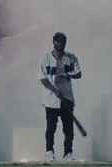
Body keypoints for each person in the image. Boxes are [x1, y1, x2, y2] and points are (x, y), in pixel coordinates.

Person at [37, 32, 82, 162]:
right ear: (53, 42)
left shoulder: (71, 57)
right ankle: (49, 152)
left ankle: (68, 153)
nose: (60, 43)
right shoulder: (45, 58)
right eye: (57, 41)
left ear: (65, 42)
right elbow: (42, 78)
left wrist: (70, 75)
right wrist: (54, 90)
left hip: (67, 98)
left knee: (68, 128)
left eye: (62, 41)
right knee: (51, 127)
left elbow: (79, 73)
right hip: (51, 100)